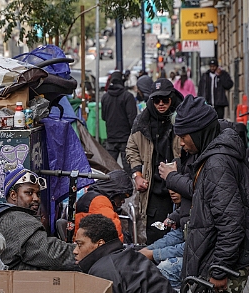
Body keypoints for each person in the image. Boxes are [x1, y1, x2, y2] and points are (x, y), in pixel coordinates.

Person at [173, 95, 249, 293]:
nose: (181, 142)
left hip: (221, 265)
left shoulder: (217, 162)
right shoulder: (214, 154)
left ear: (199, 132)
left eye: (184, 136)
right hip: (217, 259)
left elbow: (230, 222)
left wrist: (219, 270)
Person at [74, 214, 177, 293]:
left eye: (80, 244)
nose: (75, 251)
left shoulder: (104, 271)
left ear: (100, 243)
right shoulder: (126, 254)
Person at [126, 78, 184, 245]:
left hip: (181, 187)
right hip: (154, 192)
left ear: (172, 98)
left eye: (165, 100)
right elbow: (131, 149)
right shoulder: (142, 121)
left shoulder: (182, 118)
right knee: (156, 235)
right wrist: (137, 174)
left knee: (181, 235)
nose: (161, 104)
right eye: (156, 100)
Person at [0, 166, 77, 271]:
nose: (36, 198)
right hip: (24, 285)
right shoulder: (17, 220)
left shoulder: (6, 217)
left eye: (38, 194)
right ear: (13, 195)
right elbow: (53, 254)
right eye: (29, 193)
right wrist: (83, 252)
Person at [140, 189, 184, 288]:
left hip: (207, 259)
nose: (172, 192)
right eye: (169, 187)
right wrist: (148, 249)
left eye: (176, 187)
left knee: (165, 270)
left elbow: (192, 247)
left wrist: (154, 254)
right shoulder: (180, 207)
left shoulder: (197, 207)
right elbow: (176, 235)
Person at [74, 170, 134, 243]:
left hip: (85, 243)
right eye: (122, 196)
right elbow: (115, 235)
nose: (123, 201)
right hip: (93, 248)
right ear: (114, 191)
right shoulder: (100, 202)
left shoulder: (90, 196)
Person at [101, 71, 137, 174]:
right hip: (125, 138)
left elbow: (103, 117)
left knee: (109, 170)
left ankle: (112, 188)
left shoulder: (105, 97)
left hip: (111, 138)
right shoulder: (128, 96)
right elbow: (132, 119)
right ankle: (130, 188)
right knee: (129, 170)